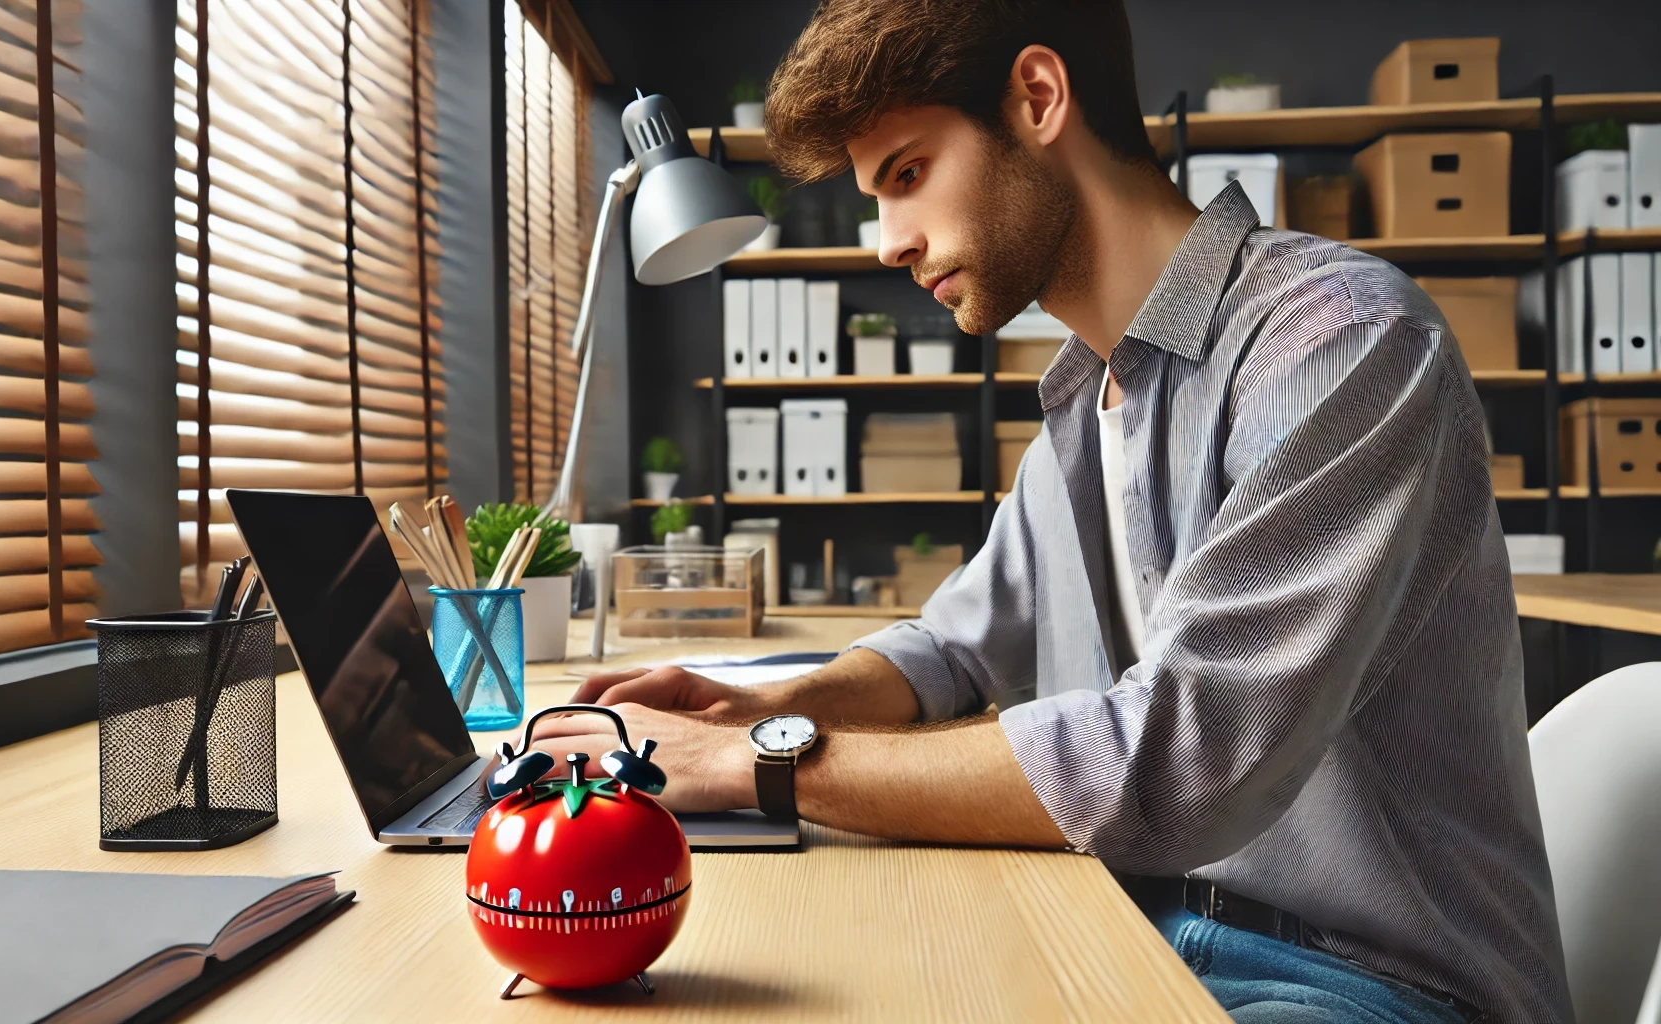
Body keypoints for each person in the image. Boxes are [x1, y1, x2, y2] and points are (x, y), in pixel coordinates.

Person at [531, 1, 1568, 1020]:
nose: (887, 242)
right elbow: (951, 650)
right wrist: (755, 711)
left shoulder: (1339, 345)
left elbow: (1178, 756)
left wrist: (753, 768)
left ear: (1036, 97)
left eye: (907, 174)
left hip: (1367, 981)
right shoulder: (1091, 402)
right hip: (1138, 918)